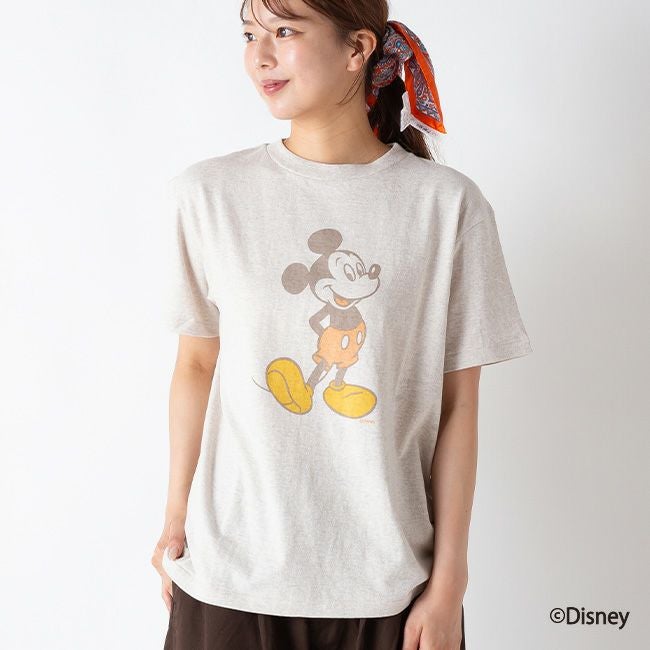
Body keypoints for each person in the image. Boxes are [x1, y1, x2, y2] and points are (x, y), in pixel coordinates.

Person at [150, 0, 533, 648]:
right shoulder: (207, 195)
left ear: (357, 49)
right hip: (228, 580)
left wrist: (450, 584)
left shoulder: (446, 206)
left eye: (284, 31)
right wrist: (173, 522)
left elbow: (459, 407)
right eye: (249, 34)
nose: (260, 55)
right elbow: (195, 365)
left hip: (389, 590)